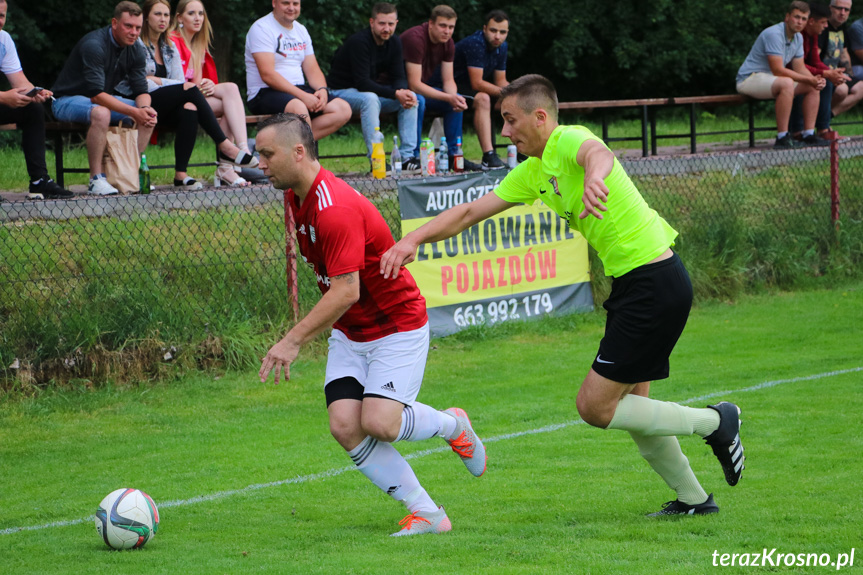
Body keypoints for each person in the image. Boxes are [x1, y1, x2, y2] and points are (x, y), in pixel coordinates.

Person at [380, 75, 746, 517]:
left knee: (594, 407)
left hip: (654, 283)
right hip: (636, 284)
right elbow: (469, 212)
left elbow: (598, 154)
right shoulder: (533, 172)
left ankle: (717, 422)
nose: (504, 132)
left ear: (540, 117)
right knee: (635, 407)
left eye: (510, 120)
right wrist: (412, 239)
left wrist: (594, 177)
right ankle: (694, 501)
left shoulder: (570, 139)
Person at [256, 112, 486, 536]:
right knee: (345, 425)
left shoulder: (334, 208)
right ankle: (427, 513)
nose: (260, 162)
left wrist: (292, 341)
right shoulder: (296, 196)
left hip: (396, 325)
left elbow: (347, 290)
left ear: (299, 152)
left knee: (381, 423)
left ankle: (452, 424)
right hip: (352, 331)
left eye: (267, 153)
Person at [117, 0, 256, 189]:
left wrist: (158, 80)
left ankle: (180, 175)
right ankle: (225, 146)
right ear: (146, 18)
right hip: (138, 99)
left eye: (166, 15)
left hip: (165, 102)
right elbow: (141, 83)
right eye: (157, 14)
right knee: (190, 90)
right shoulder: (138, 45)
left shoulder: (168, 46)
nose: (163, 19)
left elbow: (179, 81)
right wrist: (161, 82)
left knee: (190, 107)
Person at [51, 1, 158, 196]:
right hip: (65, 100)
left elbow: (141, 89)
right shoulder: (94, 45)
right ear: (115, 23)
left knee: (149, 115)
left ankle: (132, 174)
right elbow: (97, 96)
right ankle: (96, 180)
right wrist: (134, 111)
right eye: (128, 26)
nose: (134, 32)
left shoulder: (134, 48)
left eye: (138, 28)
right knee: (101, 113)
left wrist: (143, 110)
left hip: (98, 99)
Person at [171, 0, 259, 186]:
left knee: (230, 96)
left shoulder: (197, 44)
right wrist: (200, 88)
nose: (198, 18)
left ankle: (231, 162)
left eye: (201, 13)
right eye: (192, 13)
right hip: (174, 101)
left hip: (193, 98)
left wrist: (208, 84)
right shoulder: (172, 42)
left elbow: (196, 85)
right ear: (179, 18)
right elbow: (178, 84)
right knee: (230, 91)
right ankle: (236, 157)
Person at [328, 2, 421, 174]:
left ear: (396, 24)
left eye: (391, 24)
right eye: (382, 23)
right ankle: (376, 160)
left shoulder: (394, 42)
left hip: (365, 94)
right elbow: (362, 82)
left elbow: (399, 76)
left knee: (412, 98)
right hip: (339, 93)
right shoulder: (359, 42)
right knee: (370, 99)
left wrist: (402, 92)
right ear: (372, 22)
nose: (386, 28)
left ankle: (407, 157)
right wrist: (395, 93)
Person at [244, 0, 351, 141]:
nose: (291, 8)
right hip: (263, 92)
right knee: (299, 109)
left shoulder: (301, 30)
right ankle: (304, 159)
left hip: (297, 90)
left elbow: (312, 69)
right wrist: (303, 96)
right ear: (274, 3)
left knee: (342, 109)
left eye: (295, 4)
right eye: (286, 3)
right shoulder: (261, 28)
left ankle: (279, 146)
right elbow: (267, 74)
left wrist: (322, 90)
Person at [0, 0, 73, 199]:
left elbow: (20, 82)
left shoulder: (4, 40)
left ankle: (39, 180)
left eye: (1, 16)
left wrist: (35, 92)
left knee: (32, 109)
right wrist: (4, 97)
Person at [735, 1, 828, 149]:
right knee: (786, 83)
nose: (800, 22)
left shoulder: (798, 38)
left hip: (770, 80)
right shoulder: (774, 34)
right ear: (787, 17)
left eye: (804, 19)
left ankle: (808, 135)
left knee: (812, 86)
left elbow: (800, 68)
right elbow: (778, 70)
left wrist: (814, 80)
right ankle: (782, 138)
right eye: (797, 17)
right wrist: (809, 78)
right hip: (749, 79)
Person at [401, 5, 479, 170]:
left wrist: (454, 98)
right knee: (419, 101)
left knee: (455, 102)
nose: (447, 31)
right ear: (431, 24)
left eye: (451, 27)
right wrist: (448, 97)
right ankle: (414, 157)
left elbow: (448, 80)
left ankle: (454, 156)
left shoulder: (448, 43)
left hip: (421, 89)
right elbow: (414, 84)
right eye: (443, 26)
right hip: (400, 90)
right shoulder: (416, 39)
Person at [453, 9, 509, 170]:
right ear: (484, 28)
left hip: (470, 89)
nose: (497, 36)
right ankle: (489, 156)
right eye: (493, 30)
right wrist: (506, 93)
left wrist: (517, 93)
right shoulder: (475, 43)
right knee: (483, 98)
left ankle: (522, 152)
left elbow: (501, 81)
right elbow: (477, 83)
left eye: (502, 32)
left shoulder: (502, 46)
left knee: (516, 98)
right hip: (450, 87)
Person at [789, 3, 844, 139]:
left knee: (826, 83)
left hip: (802, 72)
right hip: (790, 73)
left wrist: (832, 73)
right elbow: (793, 66)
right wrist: (826, 73)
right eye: (823, 22)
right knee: (807, 84)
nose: (826, 26)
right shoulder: (797, 34)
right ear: (812, 21)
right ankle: (797, 131)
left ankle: (823, 129)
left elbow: (815, 61)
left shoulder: (813, 34)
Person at [818, 0, 863, 116]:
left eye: (846, 10)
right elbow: (815, 57)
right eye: (839, 8)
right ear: (830, 8)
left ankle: (827, 116)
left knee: (861, 87)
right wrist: (829, 73)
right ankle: (821, 120)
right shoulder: (822, 27)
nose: (842, 13)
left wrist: (850, 77)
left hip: (836, 72)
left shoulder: (842, 27)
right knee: (842, 90)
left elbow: (844, 54)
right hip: (822, 73)